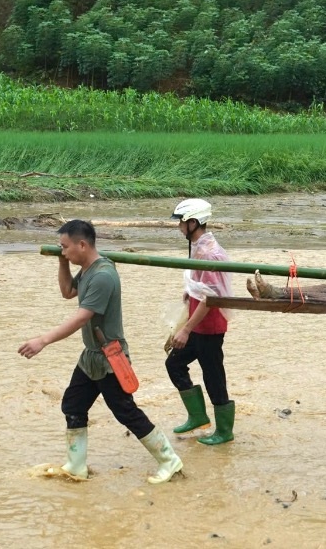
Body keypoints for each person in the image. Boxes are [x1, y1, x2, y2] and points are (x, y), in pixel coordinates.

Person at [18, 219, 183, 483]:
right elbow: (67, 292)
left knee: (125, 411)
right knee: (73, 405)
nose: (64, 251)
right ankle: (76, 465)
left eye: (66, 247)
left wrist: (43, 340)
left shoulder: (103, 275)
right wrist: (62, 261)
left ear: (82, 245)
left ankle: (169, 460)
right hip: (91, 357)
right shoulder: (86, 269)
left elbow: (82, 317)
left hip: (109, 357)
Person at [166, 199, 236, 445]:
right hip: (198, 323)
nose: (180, 228)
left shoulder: (210, 253)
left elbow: (210, 298)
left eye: (182, 223)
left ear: (193, 223)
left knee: (213, 375)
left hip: (209, 326)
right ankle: (198, 416)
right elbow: (201, 287)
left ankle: (225, 431)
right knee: (174, 364)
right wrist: (190, 292)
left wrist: (185, 329)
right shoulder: (199, 247)